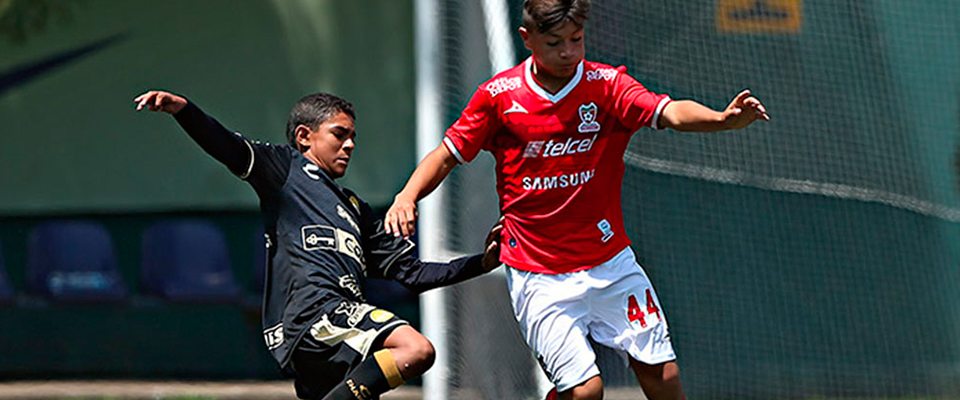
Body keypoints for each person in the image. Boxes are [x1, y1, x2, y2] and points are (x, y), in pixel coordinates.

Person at [383, 0, 769, 399]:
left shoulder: (607, 85)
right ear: (527, 38)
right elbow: (446, 154)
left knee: (664, 377)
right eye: (554, 43)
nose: (568, 51)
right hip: (539, 273)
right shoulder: (499, 97)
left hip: (610, 262)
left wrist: (722, 119)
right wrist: (407, 196)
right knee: (586, 393)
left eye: (576, 39)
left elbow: (669, 112)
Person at [134, 90, 502, 400]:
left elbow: (412, 273)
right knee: (415, 349)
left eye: (353, 136)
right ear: (304, 137)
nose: (350, 144)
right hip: (315, 316)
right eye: (339, 134)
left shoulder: (356, 208)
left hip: (340, 336)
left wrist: (481, 263)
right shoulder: (284, 170)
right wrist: (184, 110)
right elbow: (226, 145)